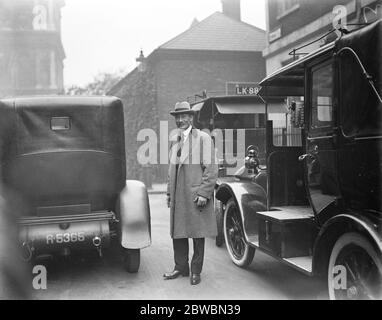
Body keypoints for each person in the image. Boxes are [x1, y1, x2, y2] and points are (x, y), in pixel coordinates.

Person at [164, 101, 218, 285]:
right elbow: (172, 169)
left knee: (197, 234)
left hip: (195, 194)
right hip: (178, 196)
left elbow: (210, 168)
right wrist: (169, 193)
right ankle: (181, 267)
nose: (180, 120)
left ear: (191, 117)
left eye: (184, 116)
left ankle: (196, 271)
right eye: (177, 117)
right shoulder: (175, 140)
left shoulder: (203, 138)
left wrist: (204, 193)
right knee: (178, 233)